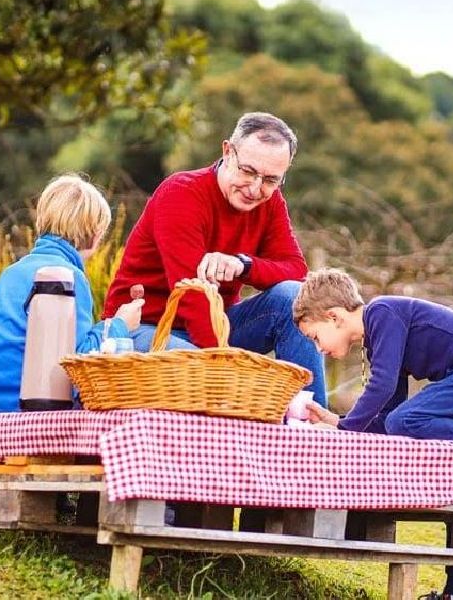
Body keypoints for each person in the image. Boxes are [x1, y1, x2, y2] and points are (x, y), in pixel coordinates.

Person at [293, 268, 453, 600]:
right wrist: (335, 420)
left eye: (316, 337)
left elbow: (384, 388)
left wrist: (346, 428)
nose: (318, 349)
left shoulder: (382, 313)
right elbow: (388, 414)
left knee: (407, 420)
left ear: (335, 317)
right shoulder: (378, 337)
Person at [103, 111, 326, 405]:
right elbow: (190, 296)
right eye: (248, 171)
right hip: (145, 327)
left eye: (271, 180)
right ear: (227, 151)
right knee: (198, 369)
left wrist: (242, 265)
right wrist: (224, 368)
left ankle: (313, 422)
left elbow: (296, 271)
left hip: (217, 324)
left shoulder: (269, 202)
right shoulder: (181, 193)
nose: (256, 188)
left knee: (293, 297)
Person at [0, 174, 146, 412]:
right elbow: (75, 365)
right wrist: (119, 325)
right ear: (95, 234)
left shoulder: (11, 274)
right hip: (40, 410)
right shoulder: (67, 277)